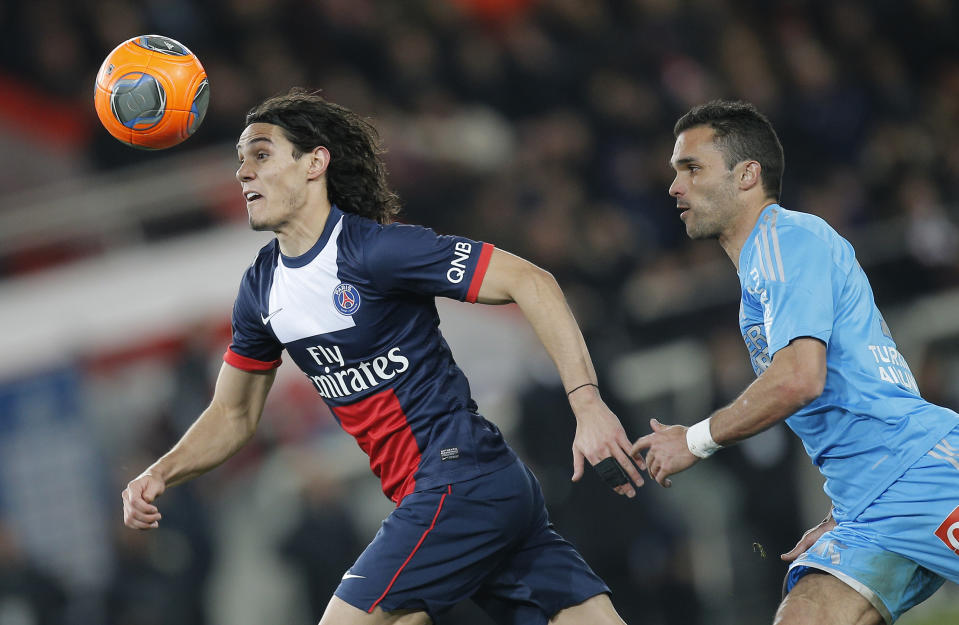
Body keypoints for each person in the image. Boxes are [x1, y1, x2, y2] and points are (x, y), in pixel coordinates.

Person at [121, 88, 643, 625]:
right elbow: (232, 414)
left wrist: (588, 407)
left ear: (314, 163)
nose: (243, 173)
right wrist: (160, 473)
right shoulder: (261, 289)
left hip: (458, 480)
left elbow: (532, 281)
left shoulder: (378, 251)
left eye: (261, 154)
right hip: (469, 493)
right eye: (239, 162)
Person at [632, 99, 959, 625]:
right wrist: (846, 508)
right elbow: (854, 385)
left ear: (747, 175)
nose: (674, 186)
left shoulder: (786, 240)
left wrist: (693, 440)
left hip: (922, 474)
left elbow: (801, 379)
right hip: (866, 507)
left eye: (691, 168)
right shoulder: (765, 270)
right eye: (675, 172)